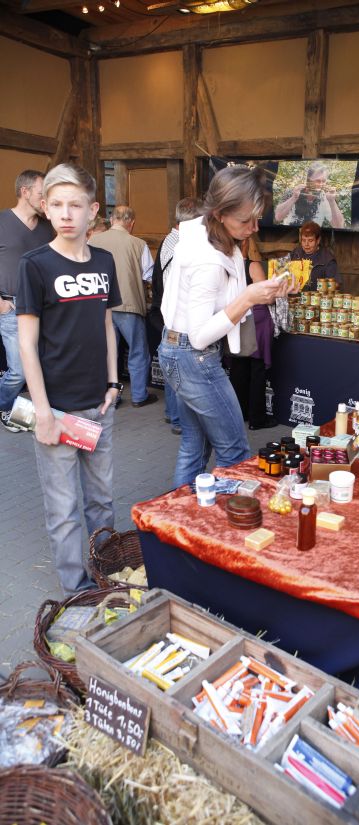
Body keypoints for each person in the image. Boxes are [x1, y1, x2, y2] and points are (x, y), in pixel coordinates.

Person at [16, 163, 122, 595]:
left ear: (92, 210)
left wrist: (113, 384)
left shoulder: (104, 260)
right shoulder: (34, 265)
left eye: (75, 205)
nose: (66, 213)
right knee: (63, 509)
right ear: (45, 206)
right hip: (57, 411)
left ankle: (107, 574)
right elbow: (26, 344)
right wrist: (42, 412)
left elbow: (107, 325)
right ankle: (77, 590)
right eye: (57, 204)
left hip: (98, 406)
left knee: (102, 500)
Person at [159, 165, 293, 488]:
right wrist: (248, 298)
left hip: (177, 350)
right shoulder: (208, 259)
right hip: (194, 356)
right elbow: (200, 335)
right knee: (235, 452)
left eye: (257, 219)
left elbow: (227, 296)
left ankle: (182, 515)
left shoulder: (206, 234)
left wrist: (267, 290)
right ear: (219, 213)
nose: (254, 228)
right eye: (246, 221)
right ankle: (231, 516)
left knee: (194, 447)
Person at [0, 170, 53, 432]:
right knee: (18, 371)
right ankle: (5, 408)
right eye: (42, 194)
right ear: (25, 192)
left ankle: (29, 414)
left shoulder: (47, 228)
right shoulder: (2, 222)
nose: (45, 200)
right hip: (11, 307)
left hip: (43, 307)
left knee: (41, 365)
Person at [89, 205, 157, 408]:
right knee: (138, 351)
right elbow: (149, 275)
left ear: (111, 220)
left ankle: (111, 396)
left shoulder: (93, 241)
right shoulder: (138, 244)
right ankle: (139, 396)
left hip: (100, 306)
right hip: (129, 305)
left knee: (109, 353)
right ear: (131, 223)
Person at [149, 197, 202, 435]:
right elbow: (176, 288)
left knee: (173, 369)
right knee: (179, 369)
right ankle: (179, 419)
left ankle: (173, 414)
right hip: (175, 320)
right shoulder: (181, 245)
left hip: (166, 317)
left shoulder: (168, 241)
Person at [229, 235, 277, 430]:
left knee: (238, 369)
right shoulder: (252, 266)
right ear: (245, 243)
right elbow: (267, 298)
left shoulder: (224, 267)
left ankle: (240, 413)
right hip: (255, 321)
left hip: (235, 319)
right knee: (257, 370)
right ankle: (257, 419)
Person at [274, 162, 345, 228]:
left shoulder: (327, 197)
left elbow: (338, 226)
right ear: (308, 180)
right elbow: (278, 217)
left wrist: (332, 201)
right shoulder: (293, 192)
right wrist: (294, 198)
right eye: (317, 181)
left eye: (323, 181)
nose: (321, 184)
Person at [290, 220, 341, 292]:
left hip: (316, 297)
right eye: (303, 240)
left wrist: (322, 287)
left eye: (310, 240)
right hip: (295, 297)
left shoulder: (328, 259)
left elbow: (336, 284)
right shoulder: (296, 253)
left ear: (318, 240)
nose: (306, 244)